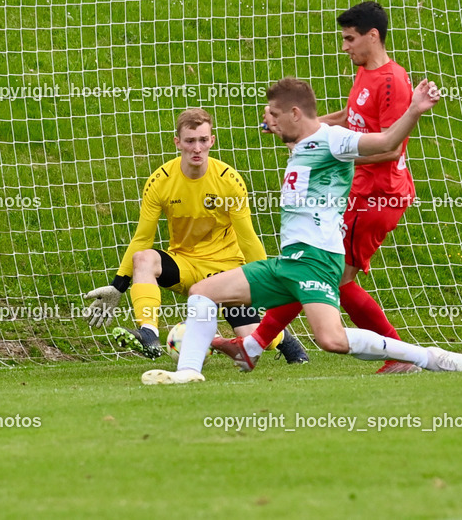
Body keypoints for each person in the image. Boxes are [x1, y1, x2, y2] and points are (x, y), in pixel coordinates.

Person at [141, 79, 462, 385]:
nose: (268, 120)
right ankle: (188, 372)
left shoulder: (335, 141)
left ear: (293, 113)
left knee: (330, 340)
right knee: (202, 291)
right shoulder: (301, 140)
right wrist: (277, 123)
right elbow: (309, 125)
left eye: (274, 114)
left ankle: (428, 357)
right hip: (290, 260)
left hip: (318, 259)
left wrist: (415, 109)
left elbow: (388, 140)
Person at [235, 2, 426, 375]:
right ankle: (252, 345)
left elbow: (391, 147)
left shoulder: (391, 82)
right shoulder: (365, 74)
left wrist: (323, 155)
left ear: (373, 36)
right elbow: (345, 118)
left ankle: (400, 355)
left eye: (350, 39)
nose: (344, 46)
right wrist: (300, 128)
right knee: (315, 274)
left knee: (331, 278)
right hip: (357, 193)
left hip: (378, 195)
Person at [83, 108, 308, 363]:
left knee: (252, 337)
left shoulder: (229, 180)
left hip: (227, 270)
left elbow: (247, 239)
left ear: (212, 140)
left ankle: (286, 342)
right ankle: (149, 333)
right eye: (190, 141)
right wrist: (118, 285)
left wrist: (268, 281)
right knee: (143, 258)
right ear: (177, 142)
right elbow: (142, 238)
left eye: (203, 140)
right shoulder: (160, 181)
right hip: (186, 265)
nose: (197, 148)